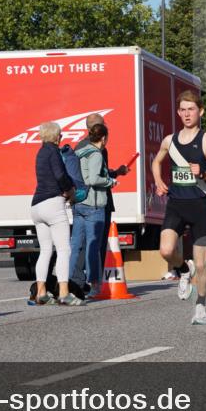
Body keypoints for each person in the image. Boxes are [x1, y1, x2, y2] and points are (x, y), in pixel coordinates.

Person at [152, 90, 206, 325]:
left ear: (200, 111)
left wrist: (203, 172)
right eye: (182, 109)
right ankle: (184, 269)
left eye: (191, 109)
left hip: (200, 206)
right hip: (176, 204)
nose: (186, 114)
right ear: (178, 112)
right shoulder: (169, 140)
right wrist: (158, 181)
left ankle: (201, 305)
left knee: (202, 264)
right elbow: (156, 160)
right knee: (165, 251)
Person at [30, 121, 84, 306]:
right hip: (53, 204)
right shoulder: (53, 151)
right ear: (54, 136)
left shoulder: (40, 152)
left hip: (36, 206)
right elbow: (60, 175)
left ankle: (41, 293)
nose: (61, 137)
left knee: (45, 250)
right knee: (63, 249)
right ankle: (64, 293)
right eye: (59, 135)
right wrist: (71, 190)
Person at [74, 113, 130, 288]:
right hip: (97, 201)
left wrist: (115, 171)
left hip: (80, 200)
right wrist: (112, 179)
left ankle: (76, 279)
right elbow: (96, 177)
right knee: (95, 243)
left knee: (79, 243)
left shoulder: (79, 147)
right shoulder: (98, 149)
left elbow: (88, 173)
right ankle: (93, 283)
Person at [69, 123, 116, 298]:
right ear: (103, 138)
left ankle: (69, 284)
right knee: (93, 246)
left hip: (78, 203)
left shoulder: (81, 151)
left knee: (75, 246)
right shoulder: (96, 154)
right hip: (93, 205)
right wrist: (111, 182)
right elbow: (93, 179)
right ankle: (95, 285)